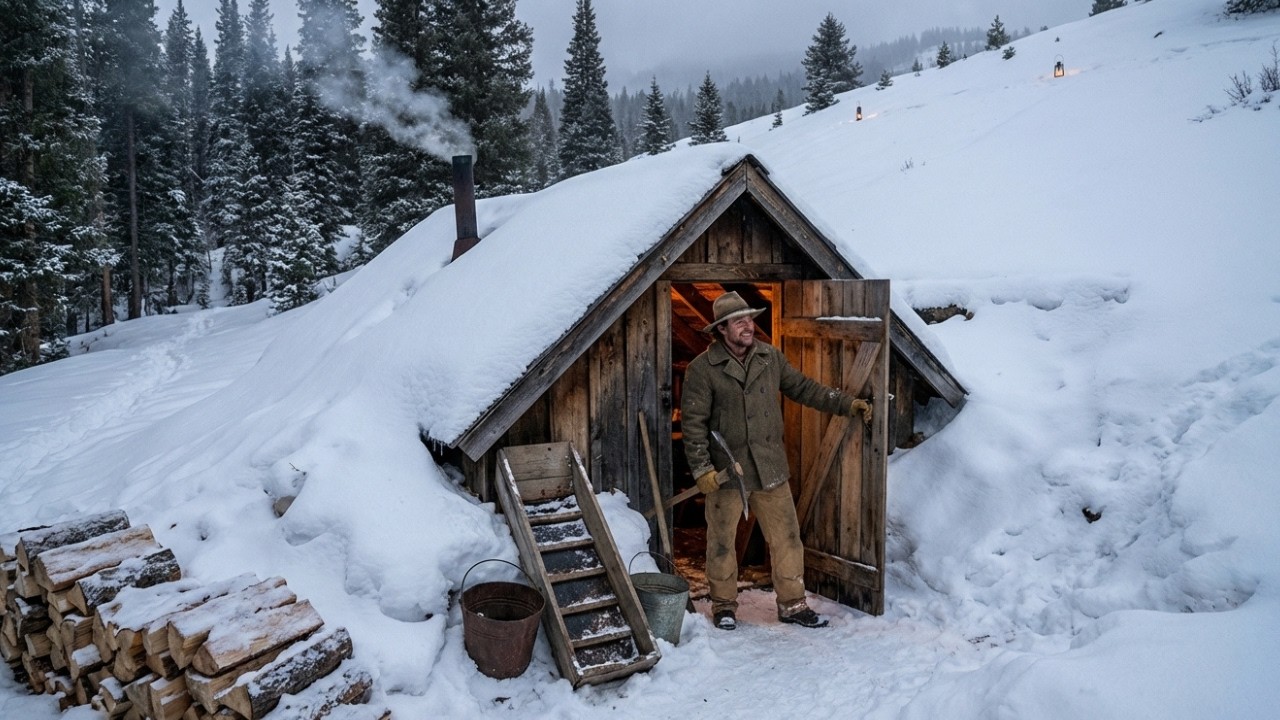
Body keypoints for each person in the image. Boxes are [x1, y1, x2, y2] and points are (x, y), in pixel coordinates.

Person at [681, 291, 872, 630]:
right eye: (739, 321)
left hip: (769, 468)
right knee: (722, 542)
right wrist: (702, 470)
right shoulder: (703, 369)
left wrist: (846, 403)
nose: (748, 326)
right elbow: (693, 424)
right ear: (721, 329)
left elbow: (805, 388)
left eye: (749, 319)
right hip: (728, 473)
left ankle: (793, 605)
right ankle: (724, 605)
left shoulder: (770, 358)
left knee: (787, 539)